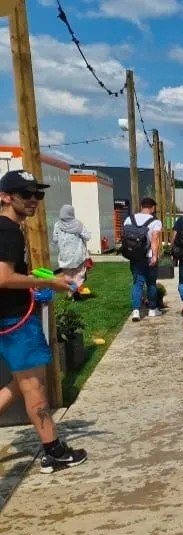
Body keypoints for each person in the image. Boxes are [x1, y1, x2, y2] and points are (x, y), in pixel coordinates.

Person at [0, 169, 87, 473]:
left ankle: (53, 448)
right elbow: (4, 277)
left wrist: (34, 277)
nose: (34, 200)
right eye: (26, 195)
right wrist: (52, 283)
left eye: (38, 194)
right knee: (35, 387)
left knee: (19, 384)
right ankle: (54, 452)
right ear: (6, 197)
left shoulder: (8, 228)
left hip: (9, 319)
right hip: (15, 322)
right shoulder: (8, 230)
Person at [123, 197, 163, 322]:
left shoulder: (129, 219)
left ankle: (136, 311)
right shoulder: (155, 222)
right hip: (149, 256)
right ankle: (152, 310)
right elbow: (155, 239)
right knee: (151, 283)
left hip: (135, 256)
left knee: (137, 284)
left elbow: (125, 236)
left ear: (141, 206)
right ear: (152, 207)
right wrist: (155, 256)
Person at [53, 204, 90, 299]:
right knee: (79, 273)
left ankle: (70, 293)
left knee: (68, 275)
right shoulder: (78, 224)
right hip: (78, 255)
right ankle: (76, 290)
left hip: (65, 255)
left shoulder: (57, 225)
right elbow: (87, 237)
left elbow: (55, 239)